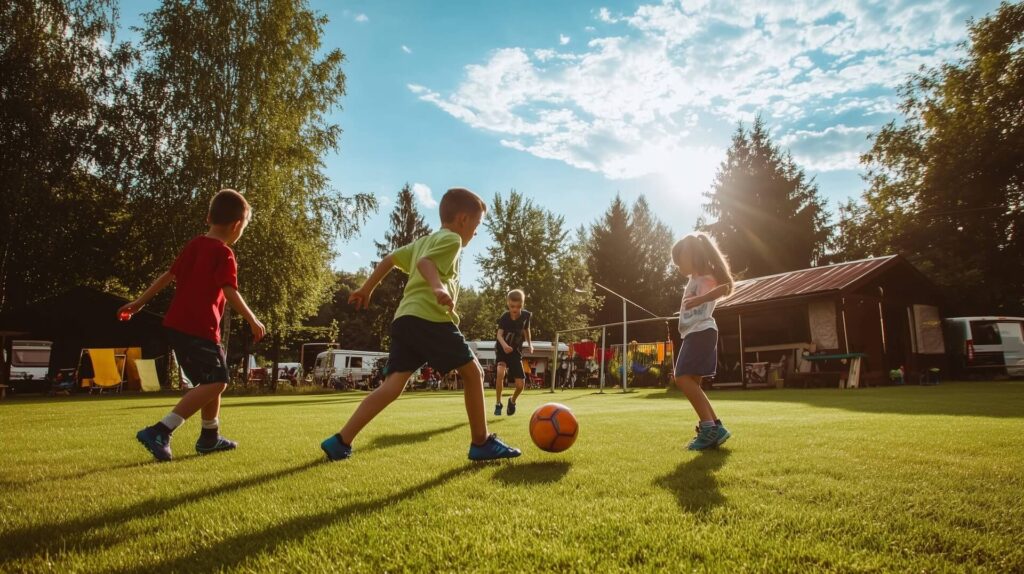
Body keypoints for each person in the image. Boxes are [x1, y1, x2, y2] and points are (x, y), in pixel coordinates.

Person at [320, 188, 520, 462]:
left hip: (405, 319)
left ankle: (340, 440)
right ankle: (481, 442)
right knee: (474, 373)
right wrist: (439, 289)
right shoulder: (451, 241)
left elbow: (390, 259)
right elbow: (427, 264)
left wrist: (367, 288)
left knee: (392, 386)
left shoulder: (424, 241)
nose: (475, 232)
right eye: (477, 225)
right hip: (430, 318)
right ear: (463, 219)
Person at [121, 189, 266, 462]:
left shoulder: (194, 245)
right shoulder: (224, 253)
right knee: (218, 381)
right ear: (237, 225)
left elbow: (168, 275)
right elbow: (229, 289)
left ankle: (209, 437)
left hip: (178, 324)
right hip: (199, 328)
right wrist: (252, 319)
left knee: (210, 379)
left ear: (209, 217)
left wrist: (138, 302)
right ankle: (161, 430)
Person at [671, 232, 734, 451]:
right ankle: (716, 426)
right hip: (695, 333)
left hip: (701, 332)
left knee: (681, 378)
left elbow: (724, 288)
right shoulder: (694, 279)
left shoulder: (707, 277)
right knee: (693, 384)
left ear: (692, 255)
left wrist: (699, 299)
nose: (678, 266)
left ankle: (708, 428)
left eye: (680, 260)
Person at [493, 289, 533, 416]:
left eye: (518, 306)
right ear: (508, 303)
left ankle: (512, 401)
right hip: (502, 350)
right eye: (512, 306)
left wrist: (530, 344)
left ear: (523, 304)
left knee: (521, 385)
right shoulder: (505, 317)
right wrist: (504, 346)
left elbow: (527, 330)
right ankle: (498, 403)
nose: (515, 309)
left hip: (515, 351)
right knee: (500, 372)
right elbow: (499, 335)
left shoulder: (526, 316)